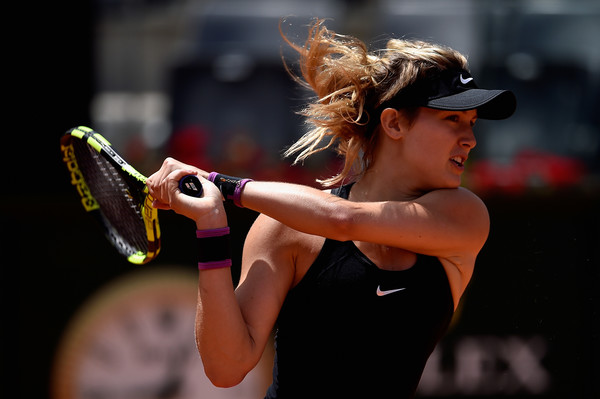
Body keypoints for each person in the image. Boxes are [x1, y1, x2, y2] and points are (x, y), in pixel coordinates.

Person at [147, 19, 516, 399]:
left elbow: (343, 220)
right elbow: (226, 368)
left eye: (471, 123)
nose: (470, 139)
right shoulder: (285, 229)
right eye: (452, 119)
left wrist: (224, 185)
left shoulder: (465, 215)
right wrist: (211, 224)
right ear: (394, 124)